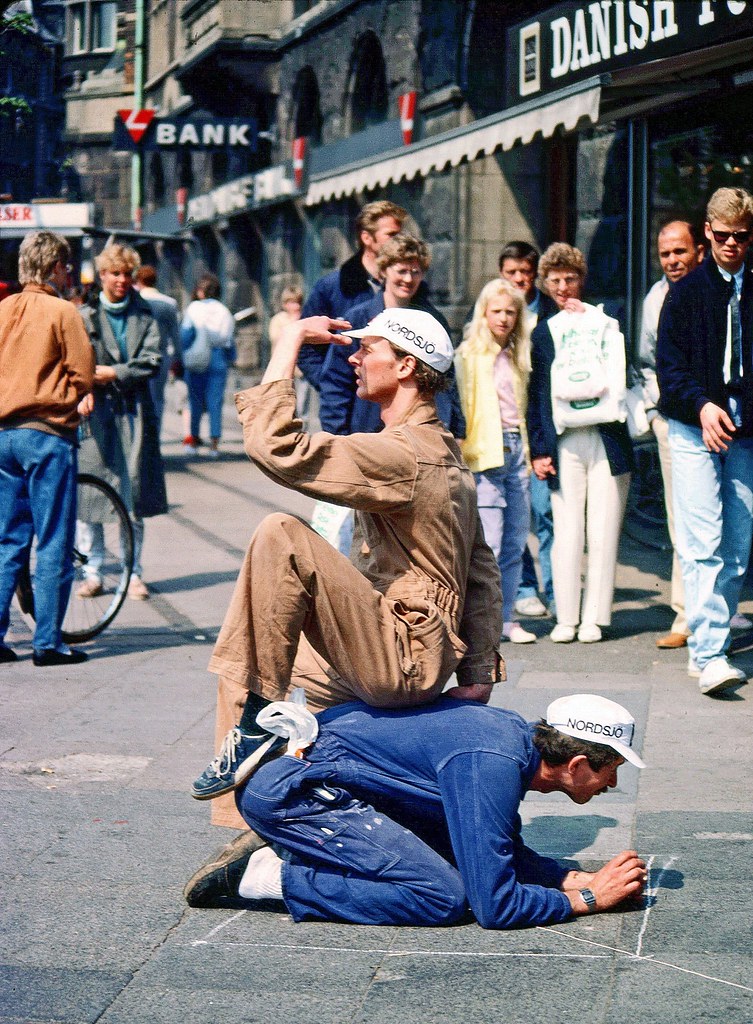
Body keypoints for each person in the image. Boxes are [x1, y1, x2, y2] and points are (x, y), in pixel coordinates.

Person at [192, 307, 504, 829]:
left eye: (369, 349)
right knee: (242, 656)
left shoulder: (406, 454)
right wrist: (477, 674)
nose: (354, 358)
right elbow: (481, 569)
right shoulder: (441, 451)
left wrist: (289, 339)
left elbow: (277, 447)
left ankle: (256, 735)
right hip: (406, 649)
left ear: (405, 366)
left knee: (281, 536)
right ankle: (249, 825)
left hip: (400, 653)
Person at [184, 692, 647, 930]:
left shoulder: (509, 740)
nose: (613, 784)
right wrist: (587, 899)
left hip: (310, 781)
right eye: (612, 770)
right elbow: (495, 907)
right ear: (578, 763)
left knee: (453, 860)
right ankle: (265, 875)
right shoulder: (492, 764)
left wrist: (566, 877)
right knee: (443, 897)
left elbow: (490, 846)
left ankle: (302, 849)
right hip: (291, 794)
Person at [657, 186, 753, 696]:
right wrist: (702, 404)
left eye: (741, 236)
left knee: (737, 545)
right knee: (702, 543)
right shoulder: (687, 292)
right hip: (695, 427)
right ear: (708, 234)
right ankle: (710, 651)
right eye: (723, 236)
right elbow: (668, 370)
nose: (732, 245)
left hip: (743, 433)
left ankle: (711, 643)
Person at [527, 243, 633, 645]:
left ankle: (596, 616)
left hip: (606, 434)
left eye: (569, 278)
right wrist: (539, 448)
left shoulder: (605, 319)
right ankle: (567, 615)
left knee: (604, 528)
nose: (562, 286)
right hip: (564, 438)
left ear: (580, 279)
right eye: (554, 280)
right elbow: (535, 392)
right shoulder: (543, 331)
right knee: (567, 526)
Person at [0, 231, 94, 666]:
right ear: (56, 267)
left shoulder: (3, 310)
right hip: (47, 432)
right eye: (65, 266)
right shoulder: (62, 312)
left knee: (8, 539)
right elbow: (82, 372)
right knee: (53, 536)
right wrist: (72, 395)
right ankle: (48, 641)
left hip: (3, 436)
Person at [77, 243, 167, 602]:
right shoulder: (84, 316)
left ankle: (134, 573)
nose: (122, 280)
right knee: (91, 494)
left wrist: (116, 371)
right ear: (102, 276)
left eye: (127, 274)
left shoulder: (146, 313)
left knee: (133, 494)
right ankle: (93, 571)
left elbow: (153, 360)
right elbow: (73, 359)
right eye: (115, 273)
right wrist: (82, 385)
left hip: (133, 413)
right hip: (94, 413)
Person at [456, 278, 535, 645]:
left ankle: (505, 618)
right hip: (485, 453)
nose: (503, 318)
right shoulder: (469, 354)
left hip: (518, 449)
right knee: (492, 544)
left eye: (510, 312)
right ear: (484, 313)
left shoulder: (519, 354)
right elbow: (461, 408)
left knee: (517, 540)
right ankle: (481, 623)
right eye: (497, 311)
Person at [639, 221, 705, 650]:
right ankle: (686, 615)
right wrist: (655, 411)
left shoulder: (715, 288)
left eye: (679, 251)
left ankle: (713, 610)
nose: (673, 261)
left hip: (725, 422)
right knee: (682, 519)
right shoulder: (654, 299)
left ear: (698, 249)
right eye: (665, 254)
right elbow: (647, 360)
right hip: (675, 421)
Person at [497, 242, 559, 621]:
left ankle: (554, 591)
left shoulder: (549, 310)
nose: (520, 279)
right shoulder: (496, 309)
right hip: (506, 426)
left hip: (540, 423)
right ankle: (524, 587)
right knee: (510, 514)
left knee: (544, 510)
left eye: (526, 272)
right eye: (512, 273)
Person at [297, 200, 407, 390]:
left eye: (400, 235)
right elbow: (305, 345)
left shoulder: (409, 286)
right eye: (391, 235)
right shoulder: (333, 286)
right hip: (348, 402)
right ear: (366, 238)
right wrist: (328, 385)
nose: (399, 242)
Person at [181, 273, 236, 458]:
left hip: (198, 356)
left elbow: (186, 335)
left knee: (195, 400)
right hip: (218, 357)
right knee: (215, 402)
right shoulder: (224, 311)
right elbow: (229, 340)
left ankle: (194, 440)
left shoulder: (194, 308)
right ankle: (214, 444)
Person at [133, 265, 181, 436]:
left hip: (137, 355)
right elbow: (175, 335)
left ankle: (140, 437)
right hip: (161, 356)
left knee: (138, 398)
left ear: (138, 280)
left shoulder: (135, 301)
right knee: (158, 399)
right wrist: (178, 358)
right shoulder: (169, 303)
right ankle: (155, 437)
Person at [268, 285, 309, 428]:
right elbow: (277, 339)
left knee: (302, 404)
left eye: (298, 302)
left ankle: (303, 433)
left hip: (301, 369)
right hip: (283, 369)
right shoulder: (278, 320)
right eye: (291, 302)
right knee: (284, 404)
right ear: (285, 304)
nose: (295, 306)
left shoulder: (305, 318)